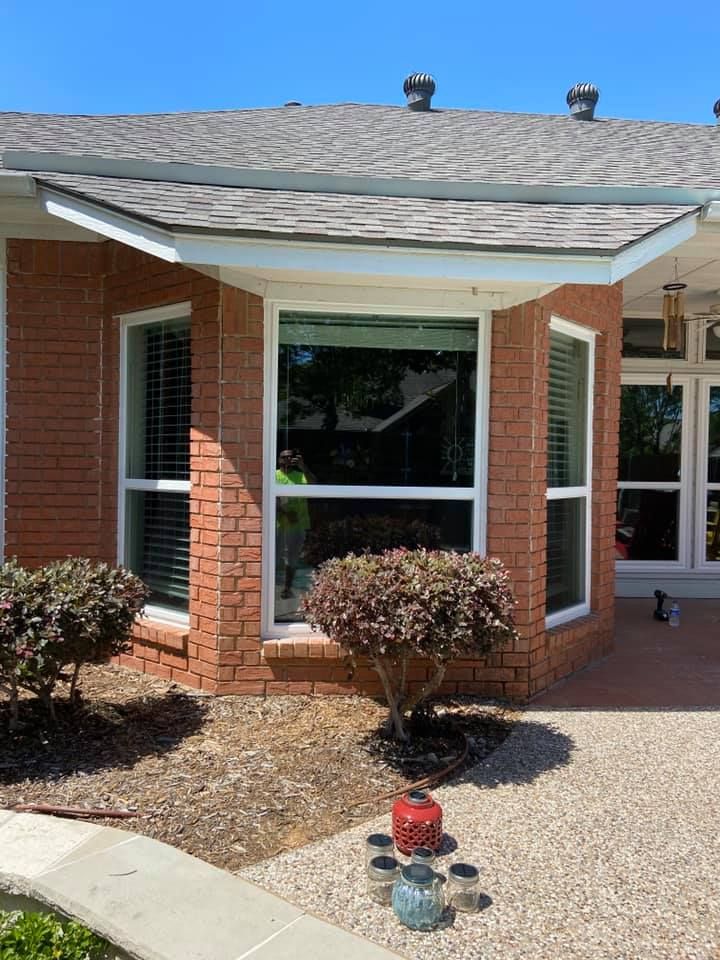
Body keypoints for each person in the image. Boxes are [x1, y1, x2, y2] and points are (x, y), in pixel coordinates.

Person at [276, 449, 315, 599]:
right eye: (284, 457)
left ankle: (287, 588)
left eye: (291, 457)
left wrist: (303, 467)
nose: (288, 459)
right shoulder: (274, 475)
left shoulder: (300, 475)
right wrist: (285, 512)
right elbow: (270, 496)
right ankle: (271, 586)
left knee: (292, 558)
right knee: (275, 557)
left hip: (298, 524)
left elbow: (315, 486)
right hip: (278, 524)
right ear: (279, 460)